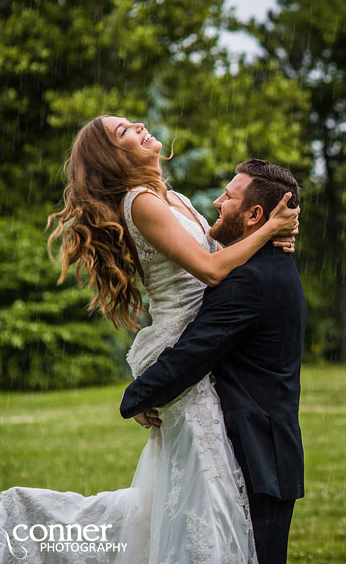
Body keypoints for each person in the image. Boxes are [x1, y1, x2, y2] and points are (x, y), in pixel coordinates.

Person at [0, 116, 300, 564]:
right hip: (184, 344)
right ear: (114, 157)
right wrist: (270, 228)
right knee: (204, 484)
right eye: (123, 132)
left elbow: (223, 246)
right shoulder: (141, 203)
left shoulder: (173, 198)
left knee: (186, 490)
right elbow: (211, 270)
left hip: (206, 339)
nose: (137, 125)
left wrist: (275, 231)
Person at [120, 158, 306, 564]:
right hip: (268, 456)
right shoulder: (266, 264)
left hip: (258, 460)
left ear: (255, 215)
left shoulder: (248, 281)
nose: (217, 204)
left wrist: (135, 398)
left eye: (229, 197)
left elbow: (192, 355)